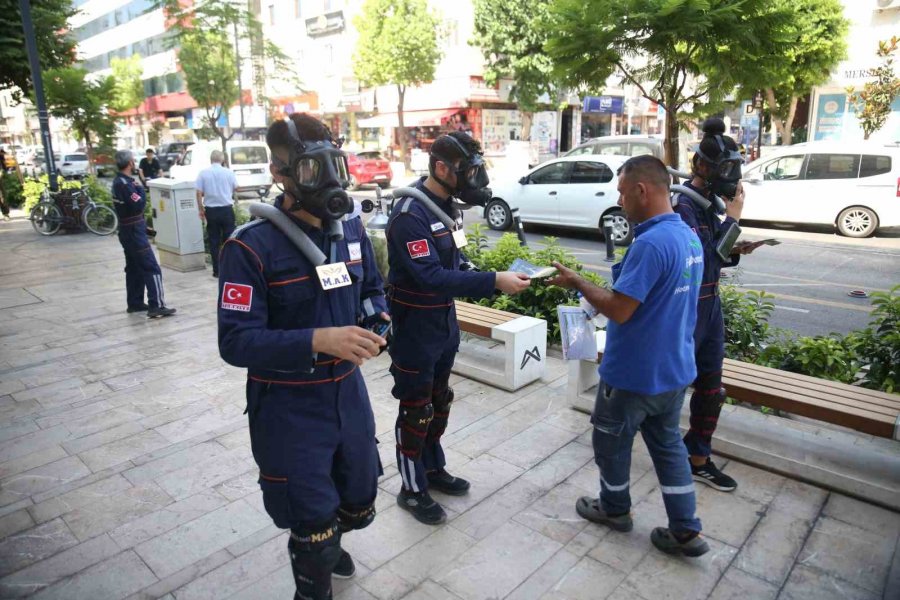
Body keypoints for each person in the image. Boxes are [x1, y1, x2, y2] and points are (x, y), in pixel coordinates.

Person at [217, 114, 388, 600]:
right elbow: (235, 342)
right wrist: (318, 339)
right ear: (280, 173)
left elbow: (373, 291)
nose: (329, 181)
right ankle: (314, 568)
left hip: (347, 394)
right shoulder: (251, 248)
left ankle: (331, 541)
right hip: (289, 406)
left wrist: (379, 322)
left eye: (335, 165)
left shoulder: (350, 232)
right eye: (313, 170)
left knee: (358, 495)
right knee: (310, 517)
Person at [547, 155, 709, 557]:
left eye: (622, 192)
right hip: (674, 370)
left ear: (642, 190)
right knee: (669, 447)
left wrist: (577, 281)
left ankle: (615, 508)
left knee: (610, 443)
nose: (619, 201)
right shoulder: (687, 235)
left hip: (634, 375)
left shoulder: (651, 242)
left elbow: (620, 308)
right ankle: (686, 529)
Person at [385, 132, 531, 525]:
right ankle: (411, 488)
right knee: (416, 409)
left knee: (439, 401)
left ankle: (433, 468)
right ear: (441, 168)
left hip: (444, 323)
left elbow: (457, 263)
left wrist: (494, 275)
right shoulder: (409, 216)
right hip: (415, 326)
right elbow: (430, 276)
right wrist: (492, 282)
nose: (474, 178)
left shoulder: (448, 209)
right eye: (467, 170)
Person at [674, 118, 756, 493]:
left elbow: (716, 255)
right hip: (687, 309)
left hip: (711, 307)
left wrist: (733, 243)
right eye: (725, 168)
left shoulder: (709, 206)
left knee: (711, 389)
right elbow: (701, 262)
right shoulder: (685, 206)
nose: (731, 175)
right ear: (701, 166)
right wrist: (734, 220)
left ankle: (698, 458)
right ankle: (617, 423)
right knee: (668, 386)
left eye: (734, 167)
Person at [111, 150, 176, 319]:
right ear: (130, 163)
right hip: (133, 231)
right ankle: (157, 305)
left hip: (128, 230)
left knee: (134, 268)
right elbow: (138, 205)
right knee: (151, 267)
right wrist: (140, 189)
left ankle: (135, 302)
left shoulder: (119, 181)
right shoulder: (125, 184)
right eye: (133, 161)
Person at [196, 149, 238, 277]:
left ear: (210, 160)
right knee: (229, 241)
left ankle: (217, 271)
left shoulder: (203, 173)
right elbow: (236, 188)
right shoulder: (229, 172)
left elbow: (198, 193)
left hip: (211, 211)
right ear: (222, 160)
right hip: (226, 209)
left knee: (214, 241)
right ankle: (230, 268)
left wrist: (201, 209)